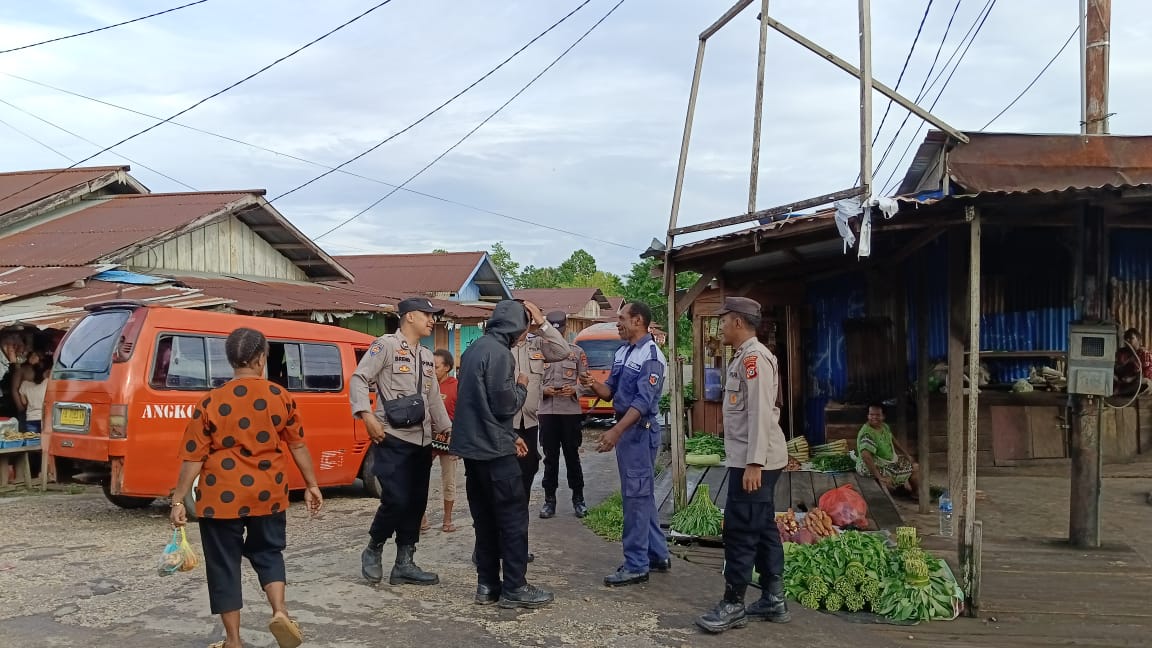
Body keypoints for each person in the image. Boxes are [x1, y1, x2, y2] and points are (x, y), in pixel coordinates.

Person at [170, 327, 324, 648]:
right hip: (268, 493)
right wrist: (311, 485)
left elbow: (193, 456)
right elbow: (297, 445)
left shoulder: (211, 401)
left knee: (223, 563)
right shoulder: (280, 397)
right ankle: (280, 611)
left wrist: (178, 498)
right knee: (269, 552)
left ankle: (234, 641)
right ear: (260, 359)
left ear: (231, 361)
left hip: (220, 496)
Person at [451, 300, 554, 609]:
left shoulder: (473, 350)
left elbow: (478, 407)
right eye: (524, 327)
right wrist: (522, 387)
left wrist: (510, 436)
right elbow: (504, 406)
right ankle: (515, 587)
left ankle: (487, 586)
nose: (525, 333)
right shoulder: (501, 355)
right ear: (514, 327)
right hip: (495, 455)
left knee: (484, 520)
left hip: (474, 451)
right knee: (511, 518)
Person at [695, 297, 790, 633]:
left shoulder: (754, 359)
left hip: (755, 461)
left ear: (737, 322)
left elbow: (762, 413)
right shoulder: (743, 357)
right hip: (752, 458)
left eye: (723, 321)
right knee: (762, 527)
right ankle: (773, 599)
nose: (719, 326)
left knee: (740, 529)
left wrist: (754, 463)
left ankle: (733, 603)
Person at [352, 298, 453, 587]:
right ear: (409, 317)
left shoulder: (425, 355)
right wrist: (365, 415)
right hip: (392, 436)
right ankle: (374, 546)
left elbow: (432, 398)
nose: (432, 320)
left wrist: (447, 428)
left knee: (416, 503)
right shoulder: (385, 346)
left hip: (421, 441)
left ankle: (404, 563)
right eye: (427, 315)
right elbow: (359, 378)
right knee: (395, 499)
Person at [581, 301, 672, 587]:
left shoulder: (651, 356)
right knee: (641, 495)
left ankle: (636, 564)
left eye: (622, 318)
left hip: (639, 433)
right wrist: (592, 385)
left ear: (638, 321)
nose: (617, 323)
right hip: (629, 431)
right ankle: (657, 554)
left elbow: (643, 402)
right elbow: (611, 392)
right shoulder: (623, 352)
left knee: (635, 497)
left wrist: (616, 432)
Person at [538, 311, 590, 519]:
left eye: (560, 329)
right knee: (550, 459)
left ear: (565, 329)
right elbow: (531, 381)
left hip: (569, 411)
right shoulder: (538, 351)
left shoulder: (576, 352)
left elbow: (587, 381)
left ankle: (579, 499)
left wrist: (576, 390)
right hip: (547, 412)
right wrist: (543, 390)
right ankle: (549, 501)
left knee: (572, 457)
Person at [422, 349, 460, 533]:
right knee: (420, 479)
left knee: (449, 481)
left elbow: (462, 416)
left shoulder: (456, 386)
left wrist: (459, 444)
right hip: (427, 440)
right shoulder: (426, 385)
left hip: (449, 442)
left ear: (447, 368)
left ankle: (447, 520)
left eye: (435, 366)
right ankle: (421, 519)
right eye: (429, 365)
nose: (432, 369)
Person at [855, 403, 920, 497]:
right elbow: (866, 457)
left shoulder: (884, 426)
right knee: (914, 468)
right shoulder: (867, 434)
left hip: (885, 462)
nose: (874, 417)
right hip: (869, 467)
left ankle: (912, 493)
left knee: (913, 465)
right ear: (867, 415)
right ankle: (912, 493)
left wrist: (906, 454)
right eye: (871, 415)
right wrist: (879, 477)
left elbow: (893, 440)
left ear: (883, 416)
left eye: (877, 415)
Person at [16, 349, 49, 434]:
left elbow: (24, 402)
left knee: (31, 441)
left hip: (30, 418)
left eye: (35, 356)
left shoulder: (24, 385)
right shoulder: (47, 382)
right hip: (45, 417)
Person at [1115, 328, 1152, 396]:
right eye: (1126, 338)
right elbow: (1115, 368)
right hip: (1122, 382)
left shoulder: (1145, 354)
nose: (1128, 340)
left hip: (1137, 383)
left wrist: (1132, 379)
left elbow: (1147, 376)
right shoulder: (1121, 353)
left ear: (1138, 339)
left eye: (1131, 338)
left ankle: (1119, 392)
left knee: (1145, 384)